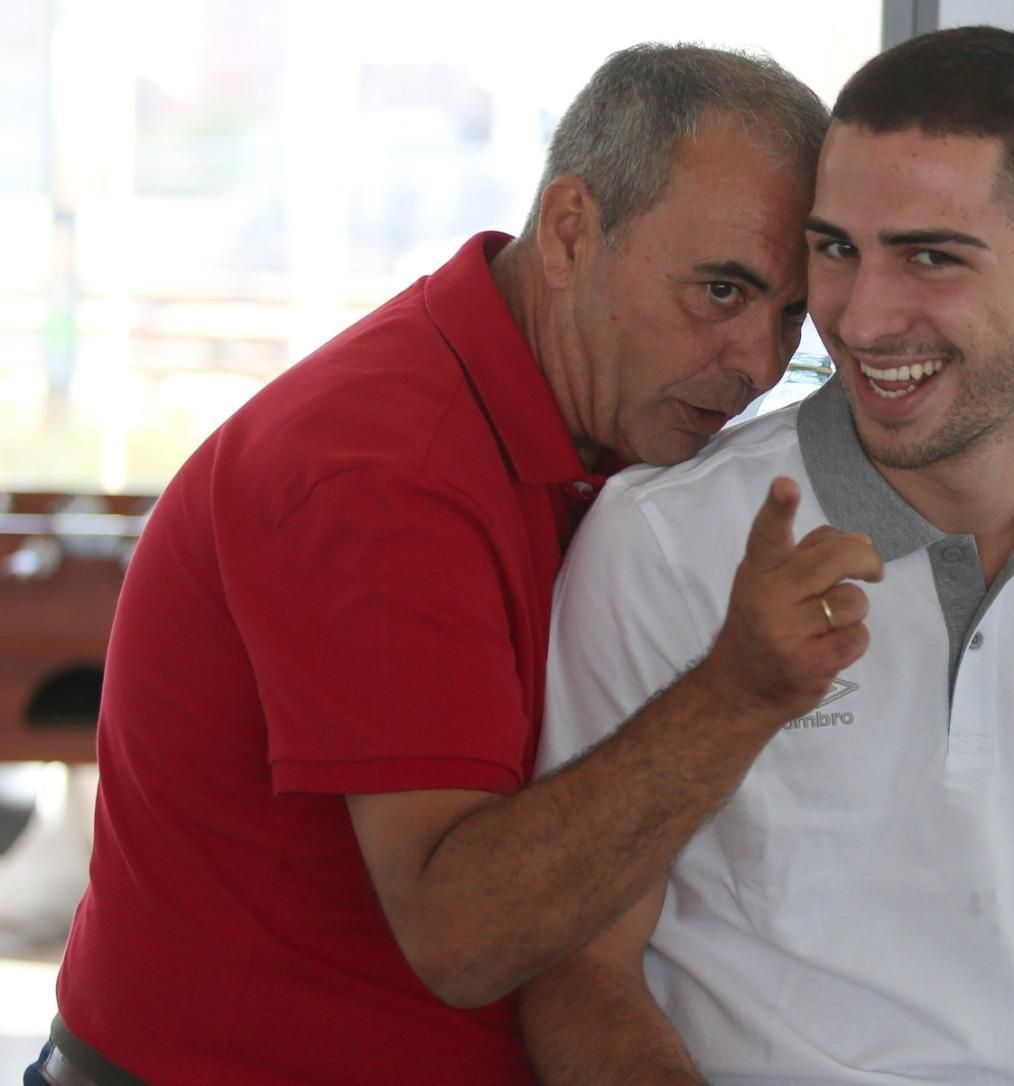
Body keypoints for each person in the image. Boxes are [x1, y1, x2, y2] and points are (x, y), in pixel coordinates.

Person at [32, 44, 885, 1086]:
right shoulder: (382, 470)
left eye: (791, 317)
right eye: (719, 290)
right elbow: (463, 934)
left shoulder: (611, 427)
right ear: (572, 230)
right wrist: (742, 692)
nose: (755, 363)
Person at [523, 26, 1014, 1085]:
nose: (859, 315)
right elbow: (579, 973)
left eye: (930, 255)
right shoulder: (661, 537)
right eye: (837, 249)